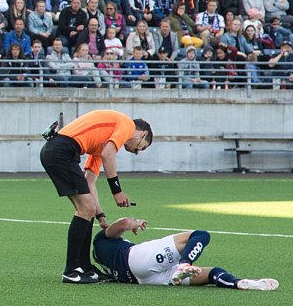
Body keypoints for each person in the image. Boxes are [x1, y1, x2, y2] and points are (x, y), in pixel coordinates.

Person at [39, 109, 152, 284]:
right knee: (85, 208)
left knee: (87, 209)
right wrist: (117, 191)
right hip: (62, 150)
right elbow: (109, 155)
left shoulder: (102, 142)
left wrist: (101, 216)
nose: (136, 152)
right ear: (143, 133)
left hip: (57, 150)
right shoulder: (127, 125)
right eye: (141, 147)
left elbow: (90, 181)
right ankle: (71, 270)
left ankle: (85, 267)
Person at [93, 218, 278, 290]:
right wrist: (134, 222)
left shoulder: (103, 259)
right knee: (200, 235)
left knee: (212, 273)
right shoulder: (100, 240)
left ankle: (239, 283)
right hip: (137, 259)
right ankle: (184, 264)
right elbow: (122, 223)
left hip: (143, 279)